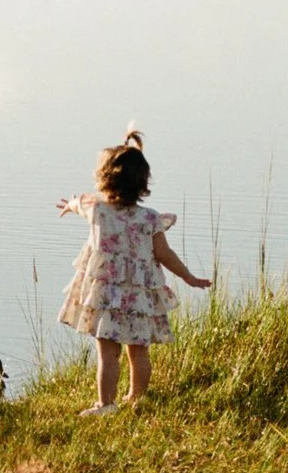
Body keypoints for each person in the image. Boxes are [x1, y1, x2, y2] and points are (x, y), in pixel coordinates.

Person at [57, 129, 211, 413]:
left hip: (105, 296)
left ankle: (106, 404)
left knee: (107, 352)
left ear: (103, 178)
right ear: (142, 184)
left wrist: (70, 205)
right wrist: (189, 278)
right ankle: (136, 398)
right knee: (138, 349)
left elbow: (80, 203)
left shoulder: (97, 210)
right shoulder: (149, 218)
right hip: (138, 298)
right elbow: (163, 254)